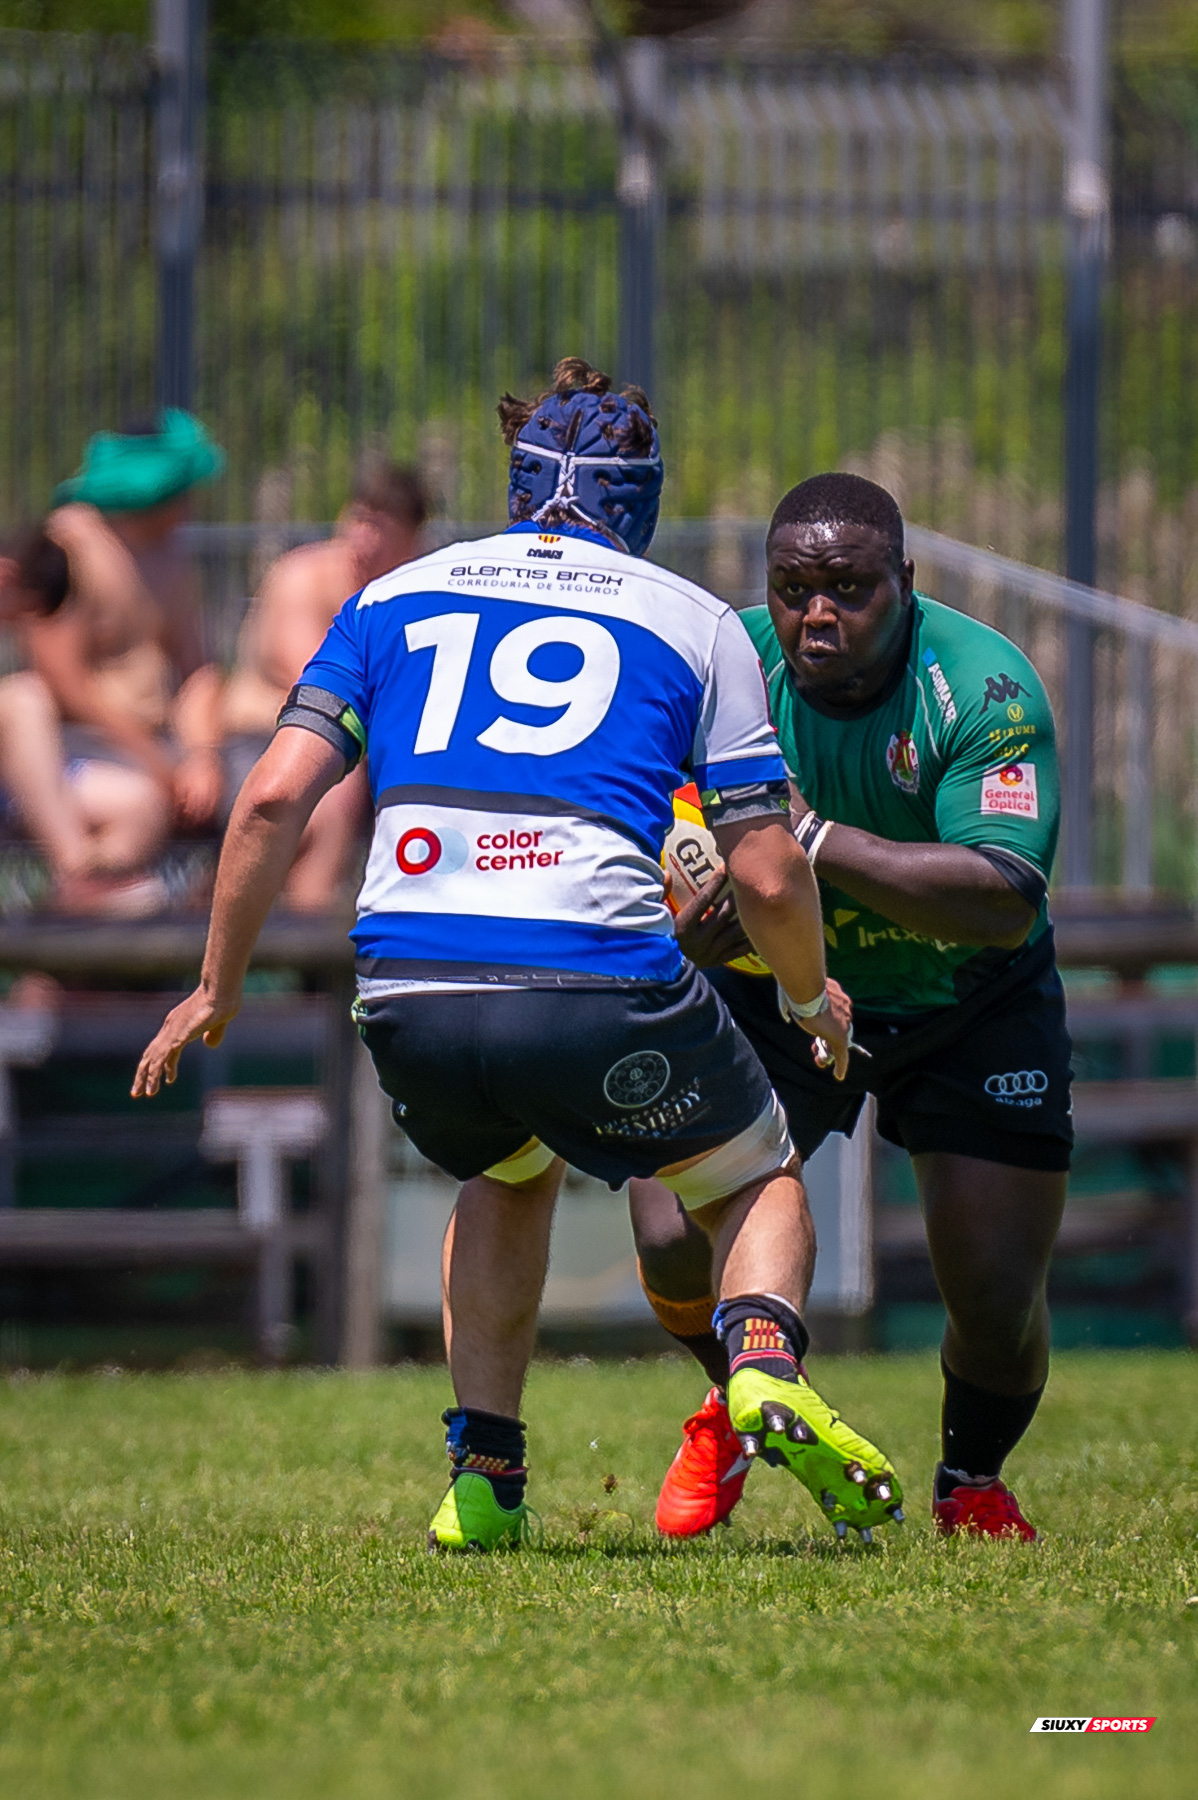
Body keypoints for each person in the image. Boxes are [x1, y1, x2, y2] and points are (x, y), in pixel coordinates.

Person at [133, 360, 903, 1552]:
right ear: (637, 499)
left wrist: (214, 984)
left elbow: (272, 798)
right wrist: (809, 998)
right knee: (758, 1176)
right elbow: (761, 866)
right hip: (591, 973)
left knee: (503, 1172)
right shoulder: (689, 618)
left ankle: (485, 1479)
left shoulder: (393, 596)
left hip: (409, 985)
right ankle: (757, 1360)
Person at [632, 472, 1070, 1543]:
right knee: (662, 1226)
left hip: (965, 1002)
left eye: (848, 588)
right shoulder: (716, 664)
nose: (816, 614)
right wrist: (683, 923)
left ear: (903, 583)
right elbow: (631, 825)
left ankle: (969, 1476)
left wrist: (809, 840)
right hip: (782, 995)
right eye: (792, 588)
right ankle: (746, 1401)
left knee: (996, 1299)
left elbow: (1004, 901)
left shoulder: (980, 687)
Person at [0, 411, 224, 914]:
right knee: (25, 696)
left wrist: (201, 757)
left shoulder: (173, 557)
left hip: (149, 755)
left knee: (152, 805)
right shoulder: (68, 542)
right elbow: (65, 682)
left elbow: (199, 671)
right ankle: (80, 889)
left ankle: (71, 940)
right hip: (66, 753)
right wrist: (157, 759)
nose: (192, 499)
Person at [219, 462, 427, 912]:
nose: (362, 539)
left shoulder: (413, 593)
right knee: (334, 786)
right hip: (263, 743)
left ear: (413, 540)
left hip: (368, 751)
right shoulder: (304, 578)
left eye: (379, 527)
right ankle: (310, 957)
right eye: (357, 520)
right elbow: (324, 699)